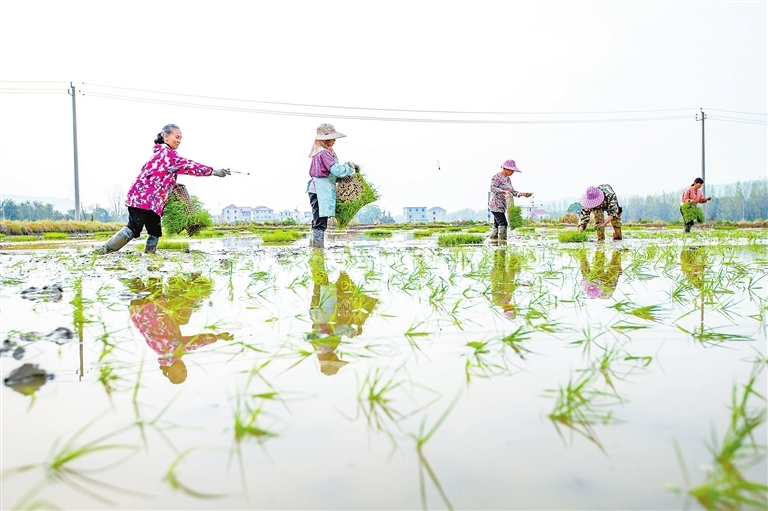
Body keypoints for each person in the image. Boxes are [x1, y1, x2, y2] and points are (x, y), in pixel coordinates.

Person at [96, 124, 230, 255]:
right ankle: (104, 250)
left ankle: (150, 256)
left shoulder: (162, 154)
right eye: (176, 137)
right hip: (141, 199)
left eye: (181, 138)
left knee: (155, 230)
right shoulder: (167, 154)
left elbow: (159, 176)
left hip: (153, 202)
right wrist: (213, 171)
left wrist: (170, 186)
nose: (179, 140)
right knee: (134, 227)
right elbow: (188, 166)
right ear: (166, 137)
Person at [124, 274, 232, 384]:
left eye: (182, 370)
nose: (184, 367)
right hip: (141, 313)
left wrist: (218, 337)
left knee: (149, 281)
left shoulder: (173, 353)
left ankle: (192, 289)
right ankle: (127, 271)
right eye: (185, 370)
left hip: (151, 311)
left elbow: (194, 343)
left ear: (171, 372)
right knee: (144, 281)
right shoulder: (163, 355)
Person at [307, 250, 378, 375]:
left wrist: (351, 332)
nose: (337, 357)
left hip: (325, 310)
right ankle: (315, 254)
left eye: (335, 359)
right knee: (319, 281)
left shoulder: (325, 348)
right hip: (316, 311)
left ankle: (317, 252)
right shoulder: (319, 349)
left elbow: (334, 329)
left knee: (322, 280)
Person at [306, 124, 358, 248]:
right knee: (320, 221)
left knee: (317, 219)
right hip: (320, 191)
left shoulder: (320, 153)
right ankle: (318, 249)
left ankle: (314, 247)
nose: (334, 140)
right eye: (332, 138)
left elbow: (329, 174)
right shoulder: (324, 153)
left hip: (317, 190)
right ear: (325, 139)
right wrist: (350, 166)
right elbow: (337, 170)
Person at [488, 160, 533, 241]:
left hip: (503, 205)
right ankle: (502, 241)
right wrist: (503, 191)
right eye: (511, 170)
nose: (513, 172)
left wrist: (523, 194)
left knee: (497, 224)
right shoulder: (497, 176)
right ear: (505, 169)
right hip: (496, 205)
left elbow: (512, 192)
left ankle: (494, 240)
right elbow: (492, 188)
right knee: (503, 223)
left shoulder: (508, 179)